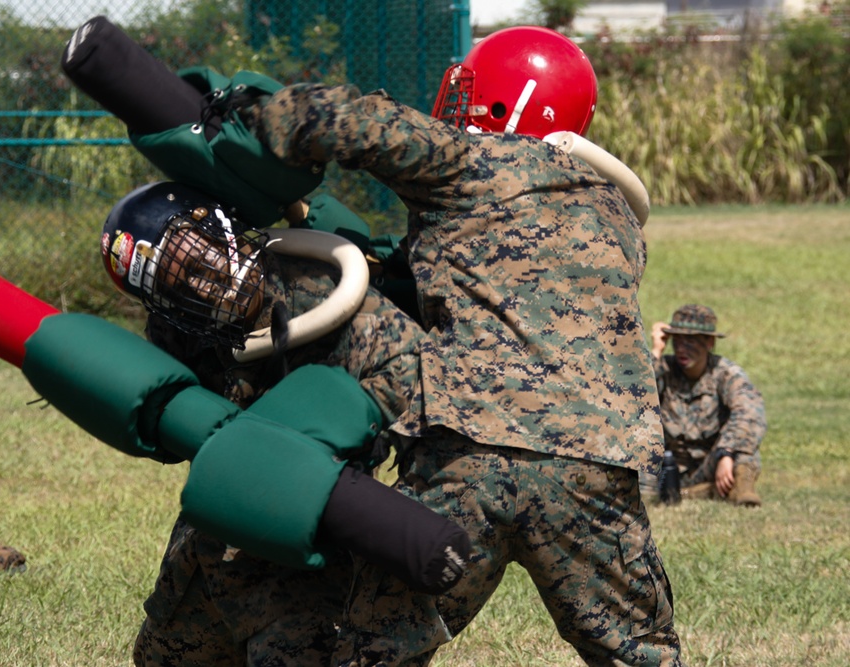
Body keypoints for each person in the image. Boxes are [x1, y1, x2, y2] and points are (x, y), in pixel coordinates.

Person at [233, 26, 683, 665]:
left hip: (465, 455)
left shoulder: (472, 164)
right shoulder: (616, 214)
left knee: (374, 653)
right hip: (594, 463)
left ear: (507, 100)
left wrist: (254, 119)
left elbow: (359, 122)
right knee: (642, 654)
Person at [98, 180, 454, 666]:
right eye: (181, 285)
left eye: (202, 265)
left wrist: (343, 424)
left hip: (306, 541)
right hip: (217, 541)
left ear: (221, 231)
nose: (204, 286)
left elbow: (416, 378)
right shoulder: (178, 329)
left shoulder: (321, 293)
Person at [650, 304, 767, 506]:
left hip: (711, 464)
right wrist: (656, 351)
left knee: (745, 450)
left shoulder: (726, 374)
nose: (681, 349)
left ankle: (743, 492)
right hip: (666, 469)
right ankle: (706, 492)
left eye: (690, 342)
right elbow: (631, 399)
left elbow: (749, 413)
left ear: (709, 342)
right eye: (676, 341)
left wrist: (726, 452)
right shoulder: (663, 369)